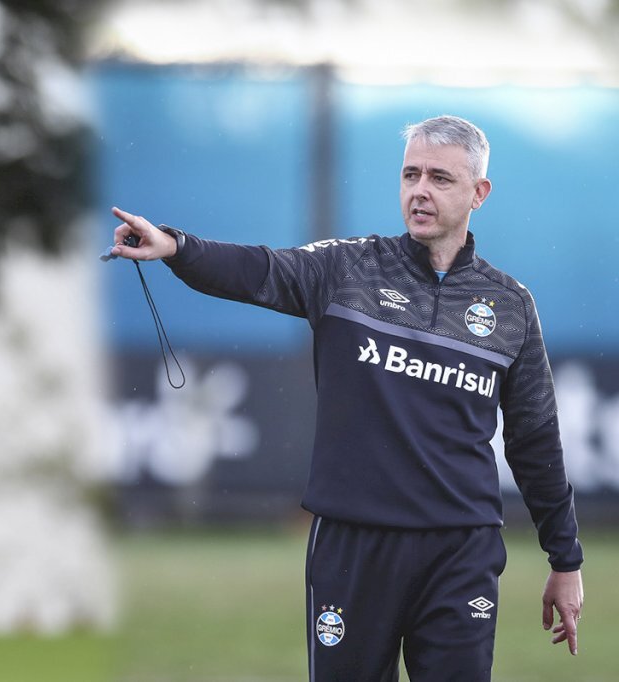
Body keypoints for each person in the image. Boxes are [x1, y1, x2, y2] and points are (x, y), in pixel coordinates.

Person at [109, 115, 583, 681]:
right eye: (411, 174)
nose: (420, 190)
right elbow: (260, 268)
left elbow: (535, 439)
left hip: (461, 551)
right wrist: (177, 247)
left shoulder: (510, 305)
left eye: (440, 178)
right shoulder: (347, 269)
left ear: (479, 192)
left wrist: (566, 559)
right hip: (353, 546)